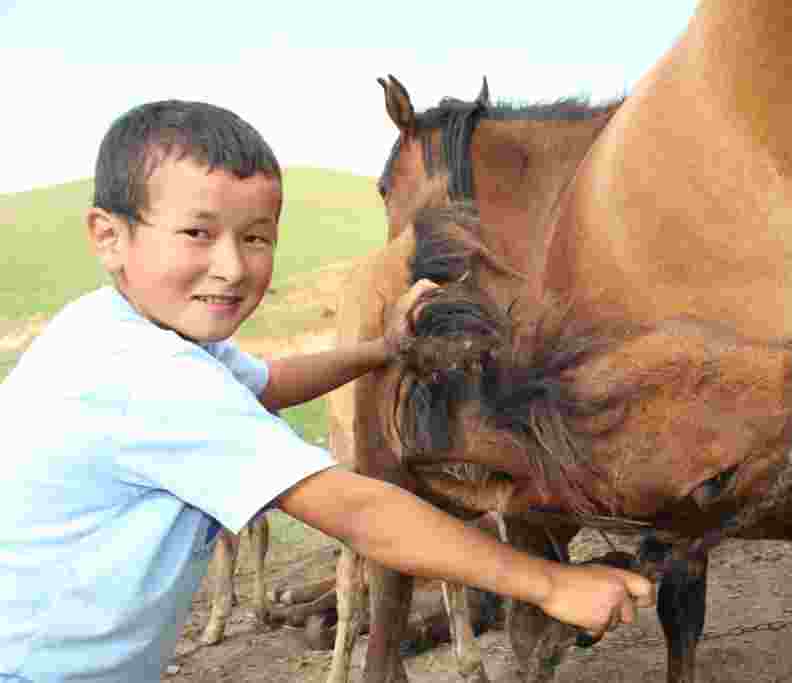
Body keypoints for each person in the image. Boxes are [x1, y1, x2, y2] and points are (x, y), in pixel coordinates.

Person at [0, 100, 653, 682]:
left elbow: (271, 381)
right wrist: (550, 582)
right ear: (108, 237)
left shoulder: (109, 327)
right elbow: (358, 511)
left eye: (256, 237)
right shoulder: (145, 376)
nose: (232, 266)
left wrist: (381, 350)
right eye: (197, 233)